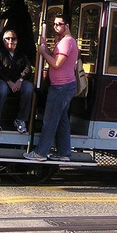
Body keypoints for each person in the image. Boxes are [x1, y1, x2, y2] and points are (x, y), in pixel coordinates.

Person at [24, 14, 78, 162]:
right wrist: (46, 49)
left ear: (67, 25)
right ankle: (64, 152)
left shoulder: (67, 42)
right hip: (63, 86)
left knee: (50, 120)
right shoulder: (63, 42)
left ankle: (40, 153)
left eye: (59, 24)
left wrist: (42, 53)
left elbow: (56, 64)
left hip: (62, 87)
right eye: (54, 24)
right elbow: (55, 60)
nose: (56, 27)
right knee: (61, 120)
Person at [0, 29, 34, 133]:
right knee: (2, 88)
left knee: (29, 87)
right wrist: (8, 81)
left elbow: (28, 69)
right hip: (1, 82)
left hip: (17, 82)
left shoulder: (21, 54)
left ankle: (20, 120)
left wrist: (20, 80)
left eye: (13, 38)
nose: (10, 41)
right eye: (7, 38)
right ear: (2, 40)